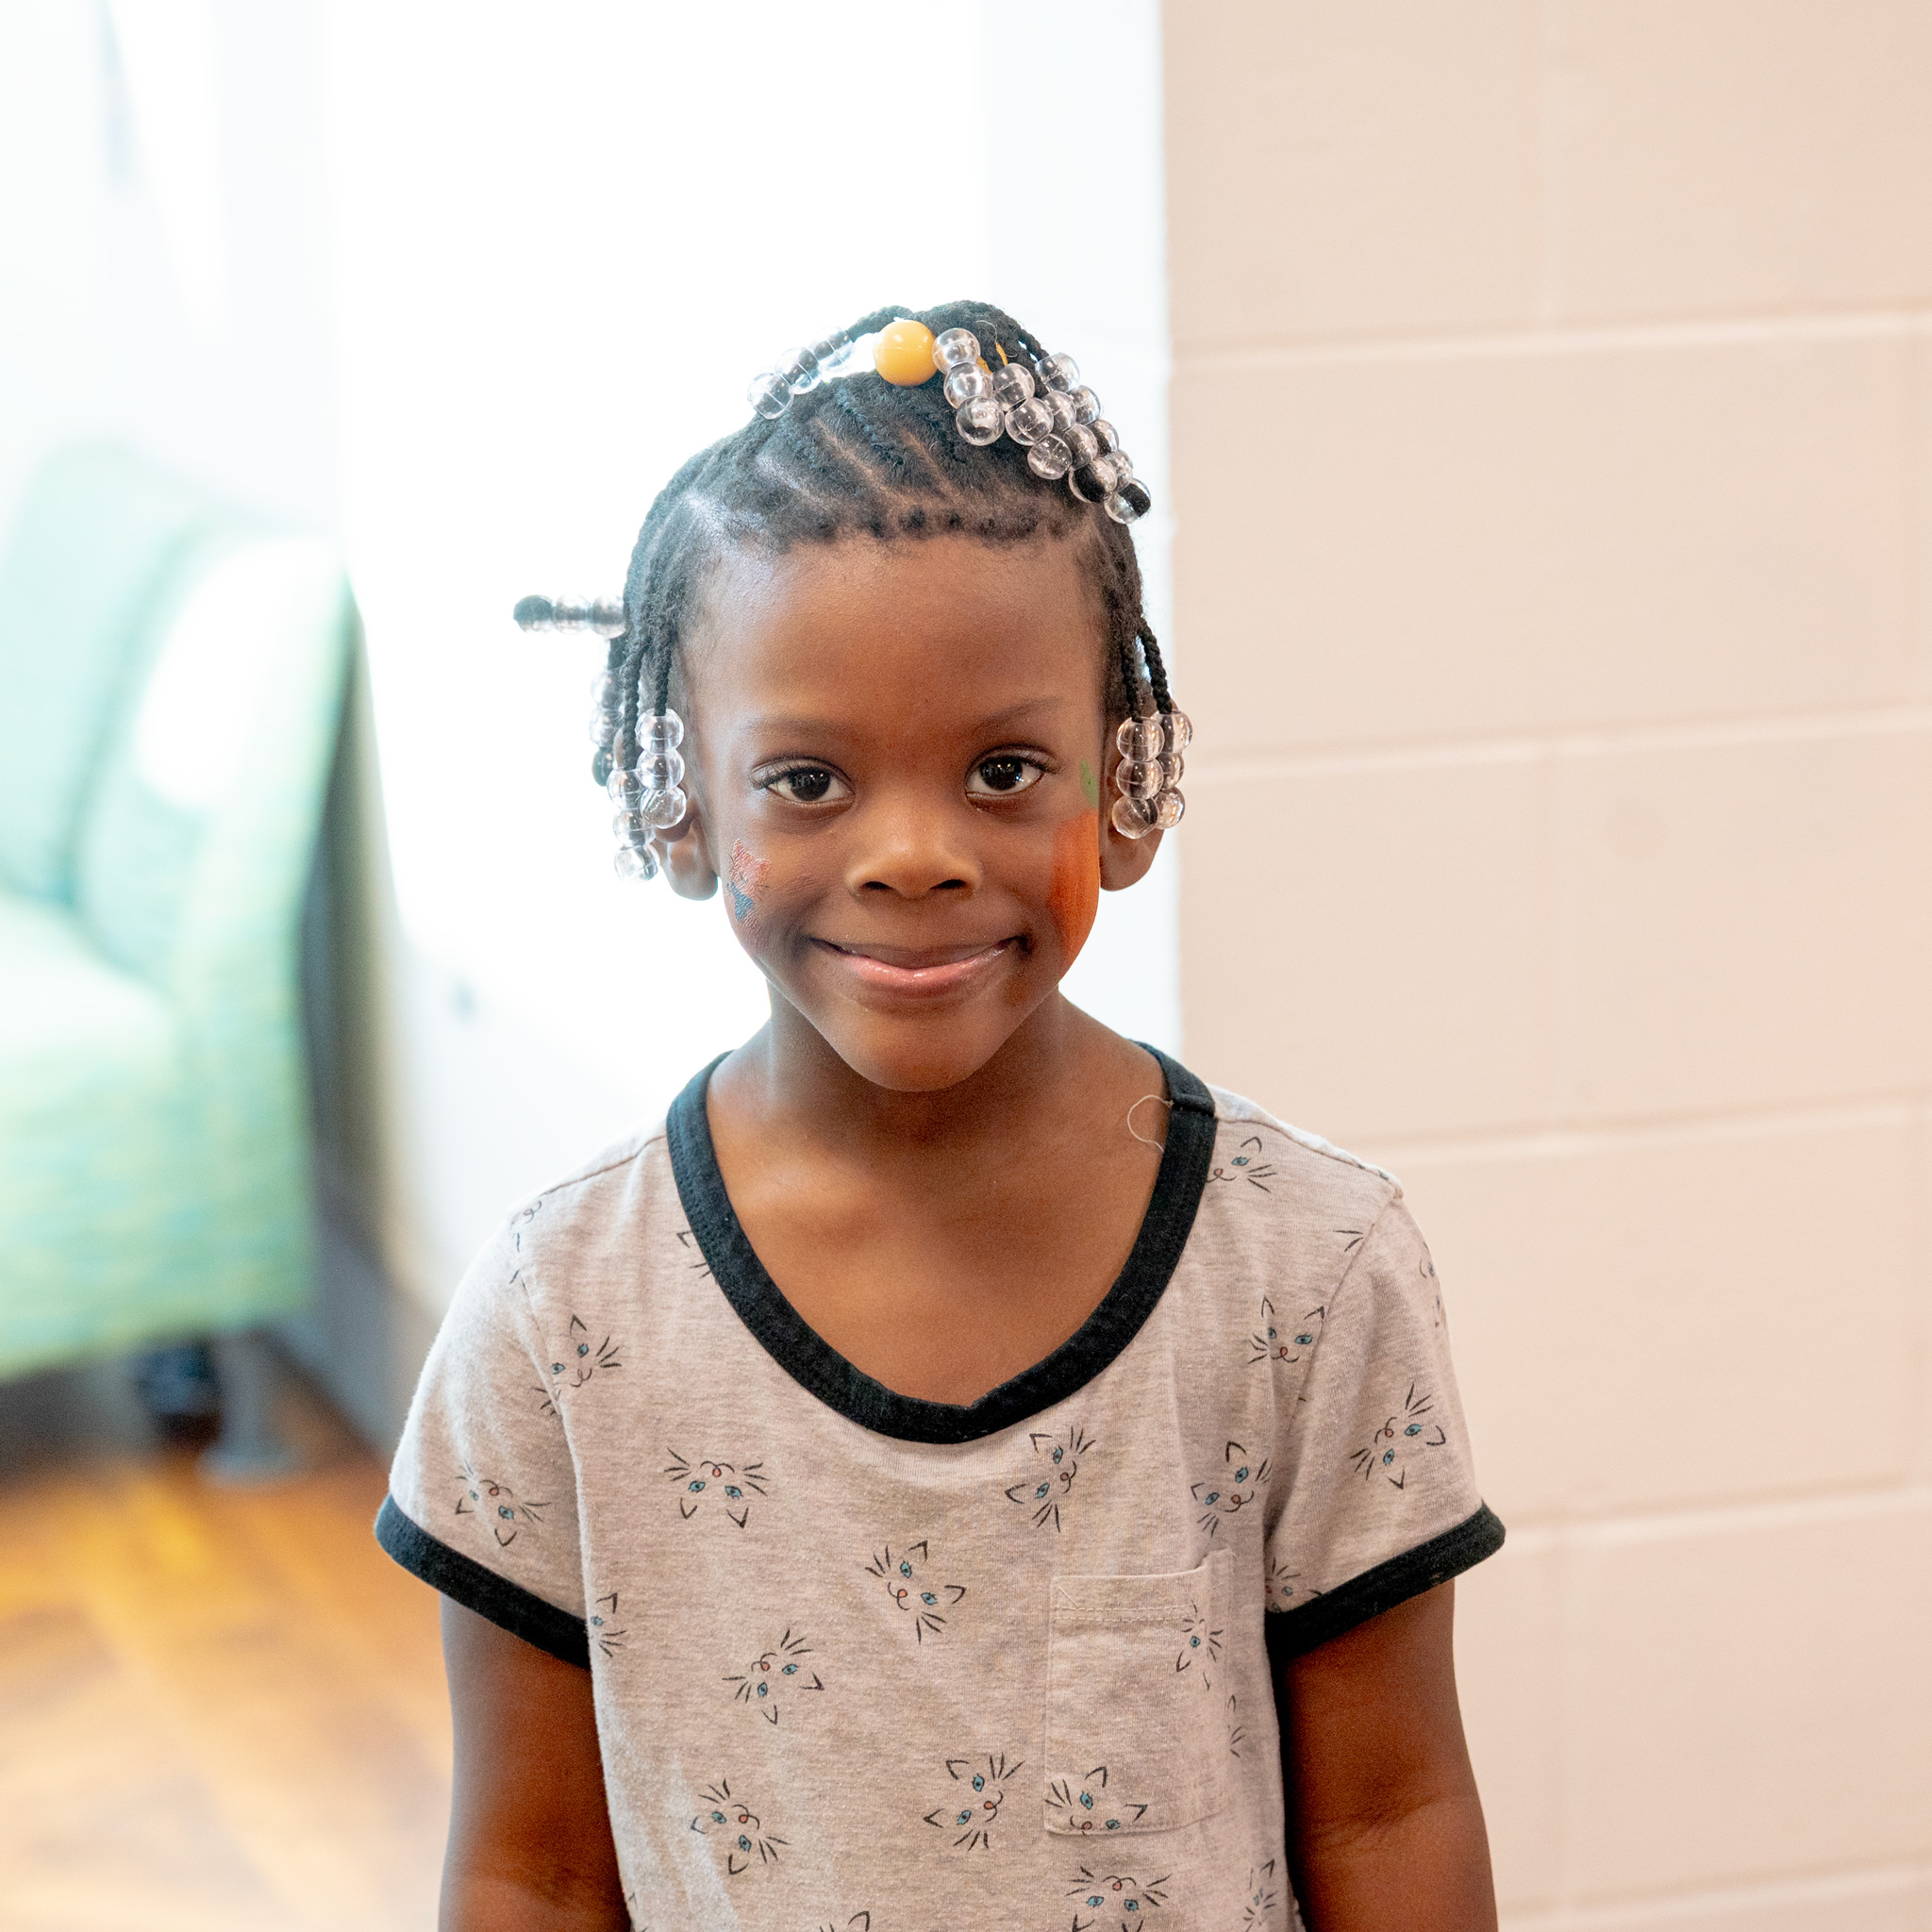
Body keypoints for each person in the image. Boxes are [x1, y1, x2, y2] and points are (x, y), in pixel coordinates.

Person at [375, 300, 1505, 1932]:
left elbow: (1395, 1816)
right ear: (680, 797)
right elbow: (533, 1869)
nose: (914, 853)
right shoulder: (563, 1319)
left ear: (1122, 785)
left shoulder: (1308, 1271)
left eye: (1001, 771)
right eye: (811, 781)